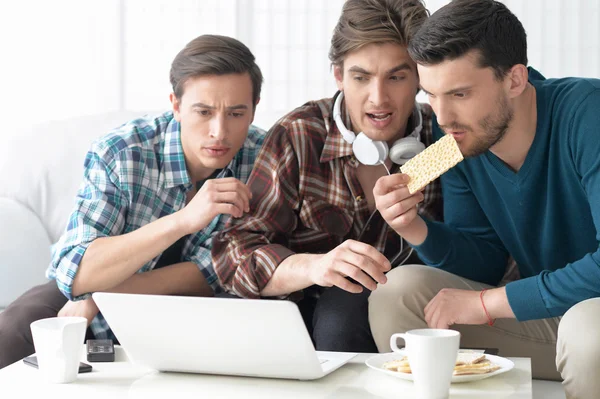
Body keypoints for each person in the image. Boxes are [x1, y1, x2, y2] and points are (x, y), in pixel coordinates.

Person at [369, 0, 600, 397]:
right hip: (548, 316)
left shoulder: (588, 113)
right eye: (432, 95)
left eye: (459, 93)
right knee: (397, 293)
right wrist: (415, 227)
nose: (442, 116)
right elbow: (485, 263)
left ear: (514, 80)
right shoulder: (457, 140)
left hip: (591, 322)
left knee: (587, 330)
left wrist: (488, 304)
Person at [0, 34, 265, 368]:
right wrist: (183, 219)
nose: (219, 131)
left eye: (236, 114)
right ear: (176, 105)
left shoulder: (264, 159)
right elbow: (77, 271)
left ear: (254, 110)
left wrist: (103, 295)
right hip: (92, 288)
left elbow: (217, 272)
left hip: (193, 304)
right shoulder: (120, 153)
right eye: (204, 111)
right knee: (15, 328)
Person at [212, 0, 442, 353]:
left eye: (396, 77)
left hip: (407, 318)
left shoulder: (440, 140)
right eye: (361, 77)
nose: (378, 99)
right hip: (306, 314)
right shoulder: (300, 134)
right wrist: (315, 266)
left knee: (348, 311)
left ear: (419, 77)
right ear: (338, 75)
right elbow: (234, 254)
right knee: (339, 311)